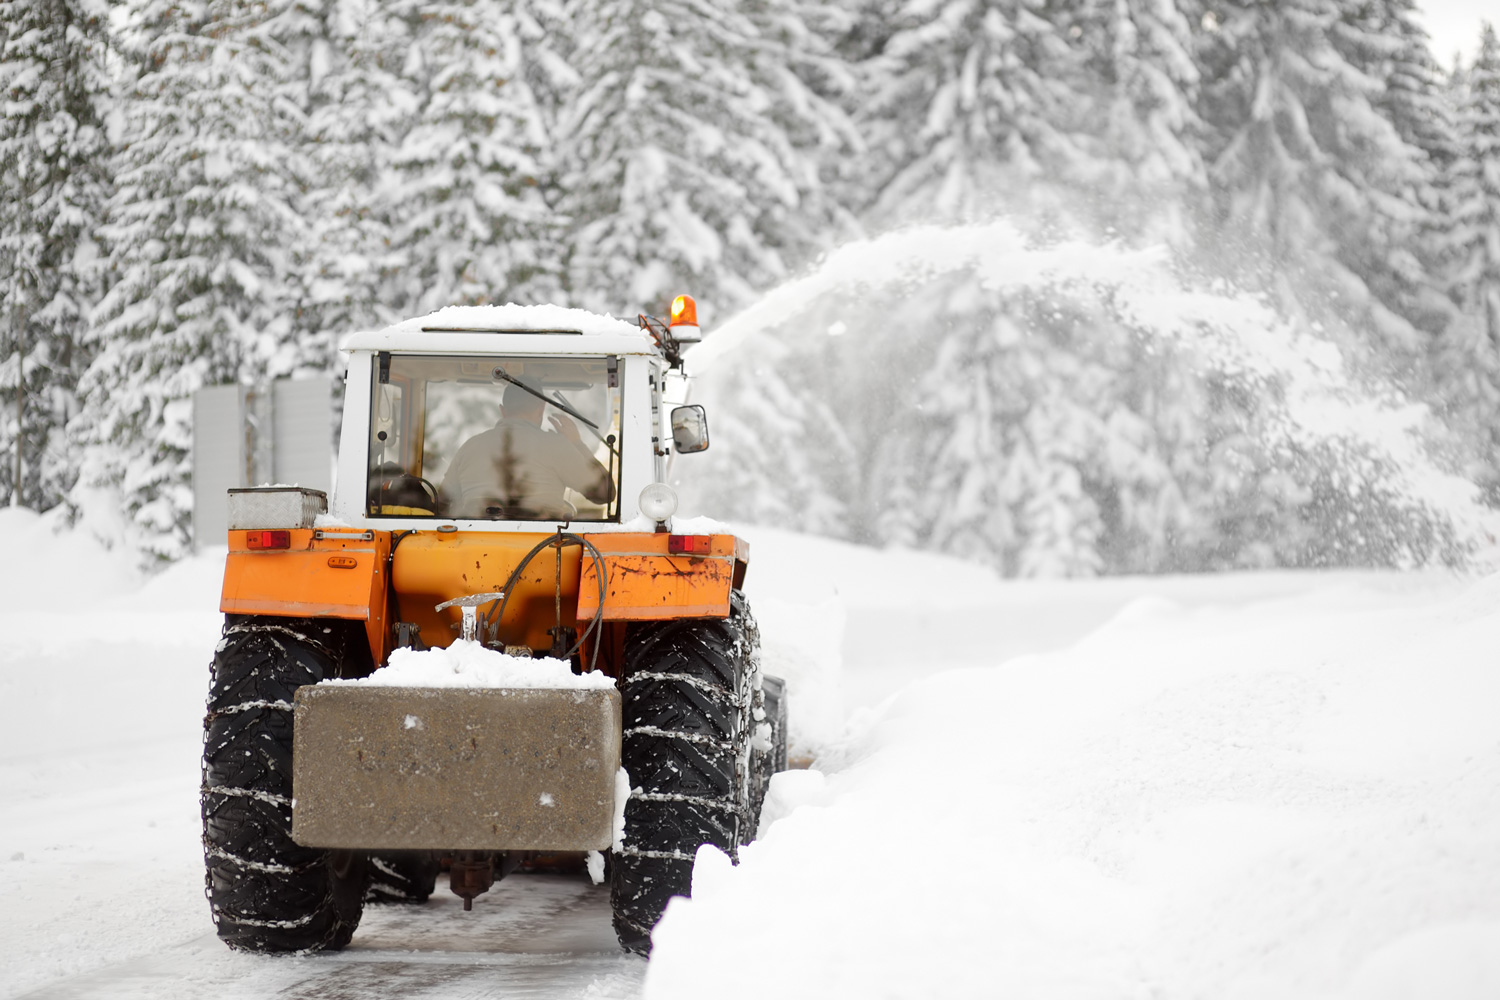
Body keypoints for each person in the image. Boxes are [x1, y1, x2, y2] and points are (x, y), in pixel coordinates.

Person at [440, 381, 614, 519]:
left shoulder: (470, 446)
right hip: (542, 547)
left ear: (502, 411)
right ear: (541, 409)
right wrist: (576, 443)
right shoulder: (555, 445)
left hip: (476, 545)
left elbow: (441, 503)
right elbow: (604, 493)